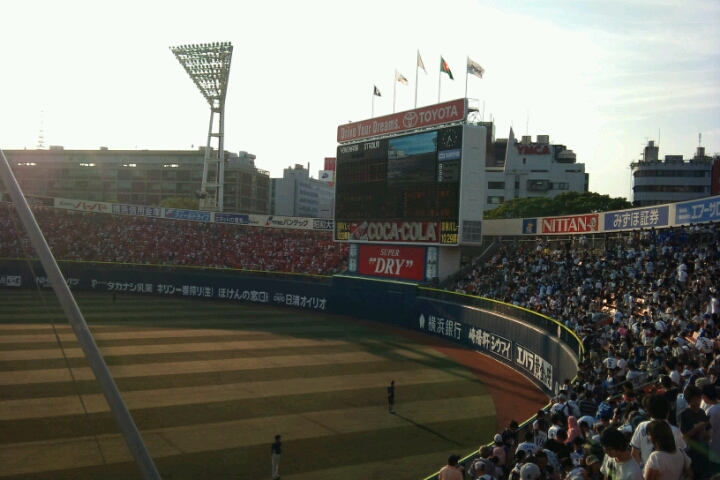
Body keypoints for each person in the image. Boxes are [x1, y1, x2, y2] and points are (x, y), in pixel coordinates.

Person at [679, 385, 711, 478]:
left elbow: (708, 431)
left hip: (704, 452)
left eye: (699, 398)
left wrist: (706, 434)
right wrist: (696, 428)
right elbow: (684, 436)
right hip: (692, 454)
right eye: (696, 399)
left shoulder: (701, 412)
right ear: (690, 400)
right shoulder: (684, 415)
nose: (699, 401)